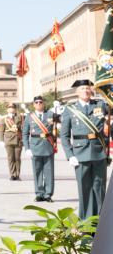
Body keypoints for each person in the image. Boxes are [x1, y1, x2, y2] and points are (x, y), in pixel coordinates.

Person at [60, 79, 111, 220]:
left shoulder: (101, 105)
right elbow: (64, 135)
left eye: (88, 88)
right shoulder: (70, 109)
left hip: (98, 152)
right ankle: (86, 221)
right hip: (80, 153)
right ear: (77, 92)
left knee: (99, 187)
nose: (86, 91)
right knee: (84, 189)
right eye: (82, 88)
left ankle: (101, 220)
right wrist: (70, 155)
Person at [22, 96, 55, 202]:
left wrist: (58, 109)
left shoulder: (50, 114)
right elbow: (25, 133)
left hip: (48, 146)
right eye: (36, 102)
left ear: (44, 103)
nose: (39, 104)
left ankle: (48, 194)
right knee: (37, 171)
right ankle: (39, 193)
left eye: (41, 102)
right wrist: (27, 148)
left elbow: (62, 120)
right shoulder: (29, 116)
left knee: (49, 172)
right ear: (33, 104)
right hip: (35, 146)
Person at [0, 104, 23, 181]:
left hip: (18, 140)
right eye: (9, 107)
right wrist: (1, 140)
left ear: (15, 109)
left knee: (17, 158)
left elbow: (23, 128)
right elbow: (1, 131)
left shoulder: (20, 117)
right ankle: (12, 174)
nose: (11, 109)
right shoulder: (4, 119)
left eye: (13, 107)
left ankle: (17, 174)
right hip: (8, 140)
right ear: (7, 109)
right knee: (10, 158)